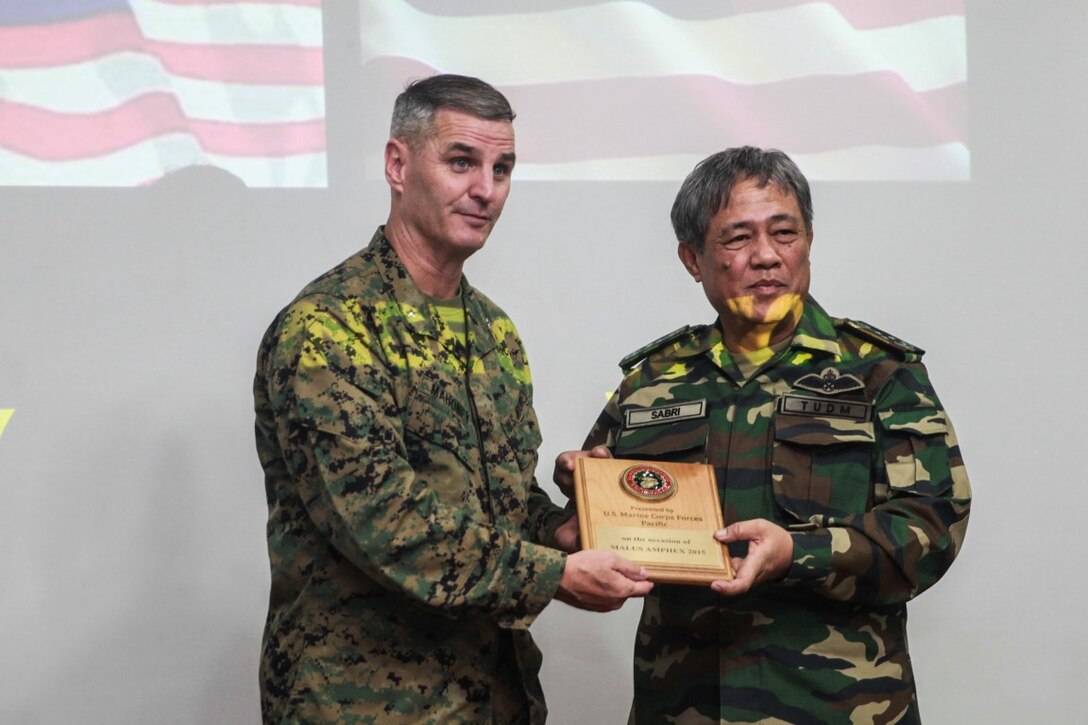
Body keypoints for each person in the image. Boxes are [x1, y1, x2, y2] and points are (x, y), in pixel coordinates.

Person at [254, 74, 653, 724]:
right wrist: (555, 573)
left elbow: (499, 498)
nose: (486, 190)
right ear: (397, 164)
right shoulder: (329, 328)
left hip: (492, 697)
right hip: (364, 705)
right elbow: (387, 523)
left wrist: (562, 529)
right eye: (462, 161)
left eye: (503, 168)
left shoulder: (492, 330)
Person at [555, 146, 971, 724]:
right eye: (738, 239)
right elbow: (602, 525)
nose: (767, 256)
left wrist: (796, 553)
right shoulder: (650, 383)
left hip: (834, 709)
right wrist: (587, 492)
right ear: (692, 258)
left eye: (785, 232)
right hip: (681, 708)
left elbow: (932, 528)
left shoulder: (880, 374)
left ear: (809, 240)